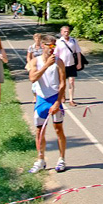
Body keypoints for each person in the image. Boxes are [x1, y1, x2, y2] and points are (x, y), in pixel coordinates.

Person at [28, 34, 68, 173]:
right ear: (43, 46)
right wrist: (46, 65)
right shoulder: (35, 61)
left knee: (58, 129)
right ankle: (40, 160)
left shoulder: (59, 62)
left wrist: (58, 102)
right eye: (50, 46)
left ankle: (62, 159)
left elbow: (63, 83)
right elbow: (33, 78)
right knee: (39, 131)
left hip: (54, 98)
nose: (52, 49)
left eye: (54, 46)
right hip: (41, 99)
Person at [55, 25, 84, 106]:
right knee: (62, 82)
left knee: (71, 81)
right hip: (62, 65)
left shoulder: (73, 41)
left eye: (67, 31)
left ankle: (71, 100)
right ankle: (62, 95)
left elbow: (78, 52)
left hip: (71, 64)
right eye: (64, 31)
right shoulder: (58, 42)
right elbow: (56, 54)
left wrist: (79, 63)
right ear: (61, 32)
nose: (66, 33)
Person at [26, 33, 44, 103]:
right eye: (36, 38)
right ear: (34, 39)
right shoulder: (31, 47)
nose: (38, 40)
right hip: (34, 66)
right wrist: (30, 63)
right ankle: (35, 96)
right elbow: (28, 57)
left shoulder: (42, 47)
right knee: (34, 82)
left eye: (39, 38)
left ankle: (41, 95)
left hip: (42, 66)